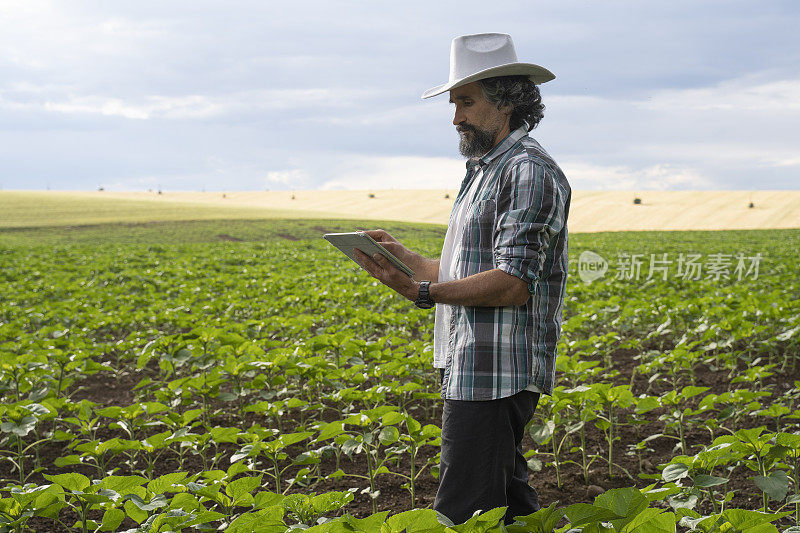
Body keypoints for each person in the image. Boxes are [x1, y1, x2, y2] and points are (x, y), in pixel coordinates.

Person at [354, 33, 570, 525]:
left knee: (464, 509)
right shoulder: (483, 170)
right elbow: (462, 271)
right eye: (454, 104)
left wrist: (423, 293)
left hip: (498, 373)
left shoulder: (527, 171)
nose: (455, 118)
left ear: (508, 102)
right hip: (473, 360)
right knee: (508, 505)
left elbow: (513, 283)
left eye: (466, 103)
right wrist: (405, 260)